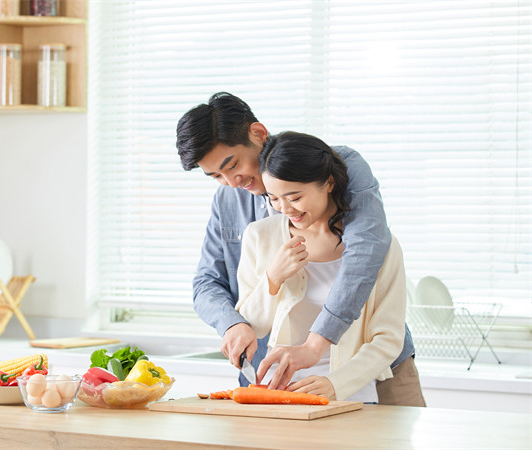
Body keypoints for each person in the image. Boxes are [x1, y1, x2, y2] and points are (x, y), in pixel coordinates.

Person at [176, 92, 425, 406]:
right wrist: (233, 323)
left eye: (233, 165)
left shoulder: (339, 166)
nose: (231, 181)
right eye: (215, 176)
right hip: (278, 376)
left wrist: (316, 346)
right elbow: (208, 283)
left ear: (258, 134)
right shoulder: (240, 213)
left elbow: (367, 250)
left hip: (373, 373)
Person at [236, 131, 406, 403]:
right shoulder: (260, 236)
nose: (285, 208)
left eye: (294, 197)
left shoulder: (379, 247)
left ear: (328, 183)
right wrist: (272, 278)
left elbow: (388, 338)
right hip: (276, 392)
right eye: (274, 198)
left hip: (348, 393)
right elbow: (252, 326)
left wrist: (334, 384)